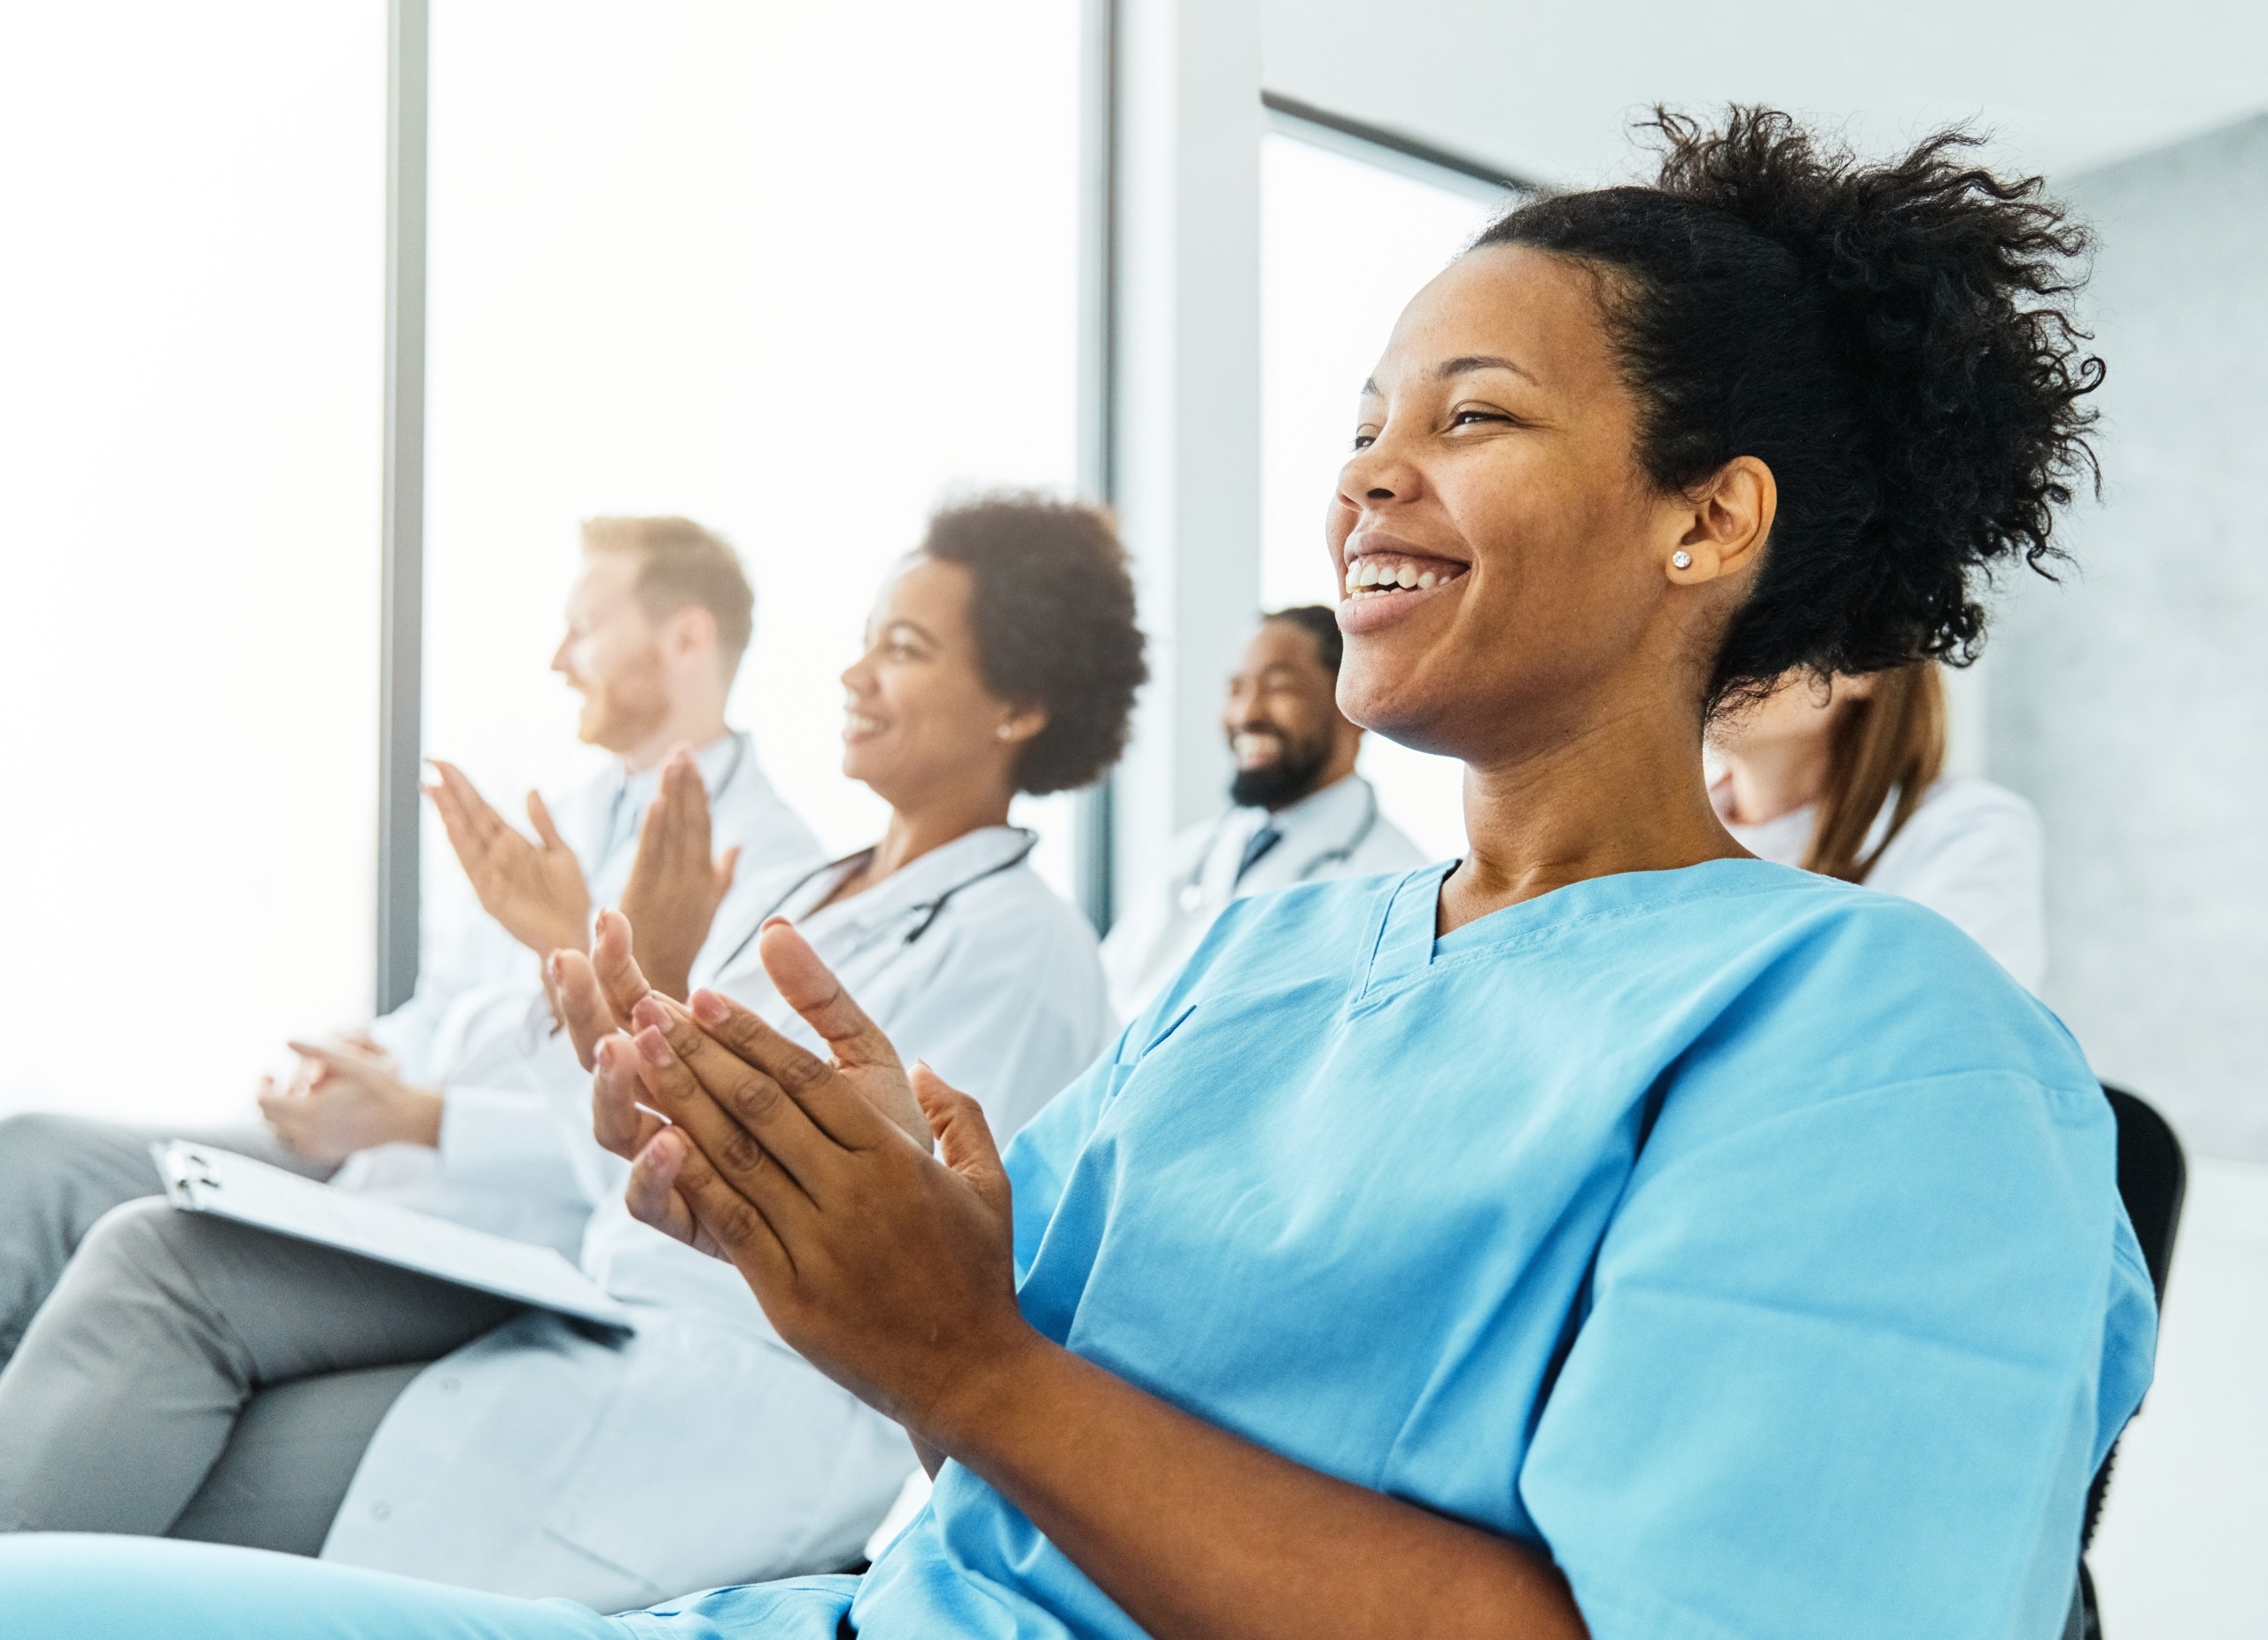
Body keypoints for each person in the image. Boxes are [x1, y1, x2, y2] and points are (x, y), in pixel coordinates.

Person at [6, 109, 2155, 1640]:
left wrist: (969, 1358)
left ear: (1707, 523)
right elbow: (998, 1397)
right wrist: (856, 1210)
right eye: (1360, 413)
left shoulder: (1884, 1049)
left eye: (1472, 416)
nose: (1365, 473)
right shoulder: (1272, 959)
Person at [0, 493, 1146, 1613]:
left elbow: (889, 1253)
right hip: (605, 1295)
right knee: (153, 1262)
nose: (851, 676)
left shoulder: (1025, 951)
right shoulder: (815, 886)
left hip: (726, 1397)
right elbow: (634, 1154)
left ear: (1022, 702)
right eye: (860, 643)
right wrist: (612, 1024)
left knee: (165, 1418)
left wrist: (624, 1010)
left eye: (900, 649)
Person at [0, 515, 821, 1544]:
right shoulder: (554, 817)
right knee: (30, 1158)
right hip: (373, 1166)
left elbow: (653, 1144)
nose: (557, 658)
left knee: (151, 1260)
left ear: (686, 640)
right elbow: (444, 1008)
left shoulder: (774, 874)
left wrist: (422, 1113)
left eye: (587, 626)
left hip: (504, 1237)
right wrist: (354, 1066)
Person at [1101, 605, 1426, 1020]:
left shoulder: (1396, 885)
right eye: (1236, 689)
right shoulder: (1189, 856)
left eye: (1279, 688)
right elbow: (1106, 1001)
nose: (1247, 714)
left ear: (1355, 700)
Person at [1706, 659, 2047, 988]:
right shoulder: (1666, 848)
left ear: (1862, 657)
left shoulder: (1968, 833)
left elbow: (1939, 1024)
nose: (1717, 653)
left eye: (1761, 622)